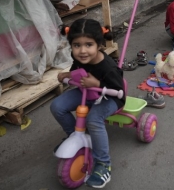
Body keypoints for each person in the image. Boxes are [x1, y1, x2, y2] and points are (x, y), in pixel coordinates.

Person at [50, 19, 125, 188]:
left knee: (93, 119)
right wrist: (68, 74)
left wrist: (97, 84)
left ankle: (103, 164)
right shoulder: (78, 57)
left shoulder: (108, 67)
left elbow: (119, 90)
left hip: (111, 97)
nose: (82, 51)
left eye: (88, 44)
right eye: (77, 45)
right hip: (86, 90)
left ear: (99, 45)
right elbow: (78, 70)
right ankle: (76, 136)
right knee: (57, 107)